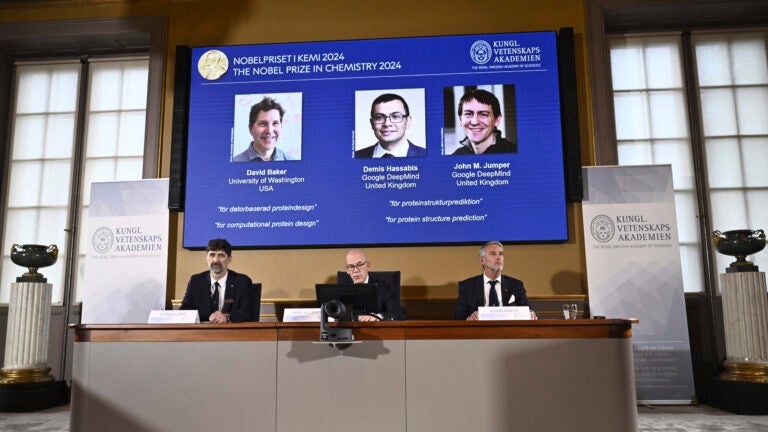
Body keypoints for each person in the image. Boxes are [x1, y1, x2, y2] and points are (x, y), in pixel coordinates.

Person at [453, 241, 536, 320]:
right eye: (493, 254)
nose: (498, 257)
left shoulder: (516, 285)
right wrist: (470, 319)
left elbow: (529, 311)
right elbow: (458, 318)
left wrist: (531, 314)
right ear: (482, 260)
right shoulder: (467, 286)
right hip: (479, 332)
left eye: (501, 254)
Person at [180, 238, 256, 323]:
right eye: (212, 255)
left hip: (232, 333)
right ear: (206, 258)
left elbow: (248, 313)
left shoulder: (242, 282)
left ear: (229, 259)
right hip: (201, 333)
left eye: (221, 255)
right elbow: (185, 311)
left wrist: (227, 317)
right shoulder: (196, 281)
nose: (216, 260)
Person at [355, 93, 426, 158]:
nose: (387, 124)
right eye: (379, 117)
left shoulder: (426, 155)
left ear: (408, 121)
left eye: (395, 116)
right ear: (372, 123)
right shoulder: (357, 157)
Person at [343, 249, 406, 321]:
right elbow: (339, 316)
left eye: (359, 265)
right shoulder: (343, 290)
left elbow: (398, 315)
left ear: (368, 265)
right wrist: (357, 318)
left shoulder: (384, 287)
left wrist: (379, 317)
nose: (356, 270)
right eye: (351, 266)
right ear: (347, 270)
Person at [451, 89, 517, 155]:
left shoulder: (513, 152)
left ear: (497, 120)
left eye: (483, 114)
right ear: (460, 120)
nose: (474, 122)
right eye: (468, 114)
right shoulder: (456, 156)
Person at [233, 96, 295, 162]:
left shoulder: (291, 161)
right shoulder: (236, 163)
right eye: (262, 124)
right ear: (250, 129)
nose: (269, 131)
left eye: (275, 123)